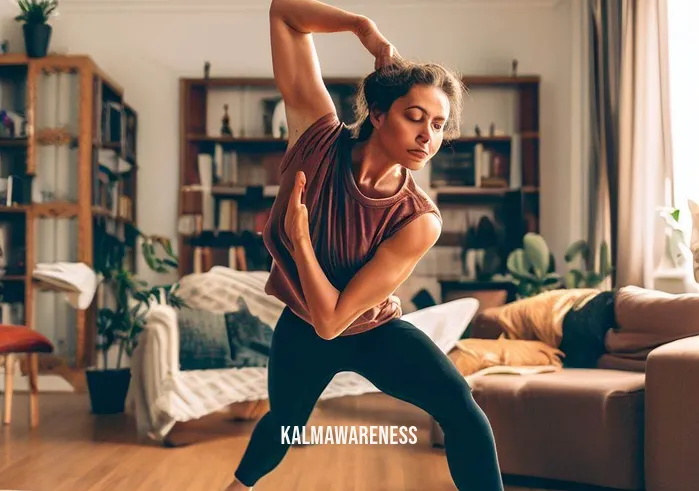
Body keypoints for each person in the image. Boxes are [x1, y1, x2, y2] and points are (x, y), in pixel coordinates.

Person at [225, 0, 504, 489]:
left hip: (372, 331)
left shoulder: (418, 220)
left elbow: (335, 321)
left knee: (463, 411)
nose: (427, 136)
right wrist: (362, 28)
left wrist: (300, 241)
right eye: (415, 117)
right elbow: (284, 13)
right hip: (301, 327)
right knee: (282, 429)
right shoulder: (316, 136)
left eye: (438, 125)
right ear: (377, 113)